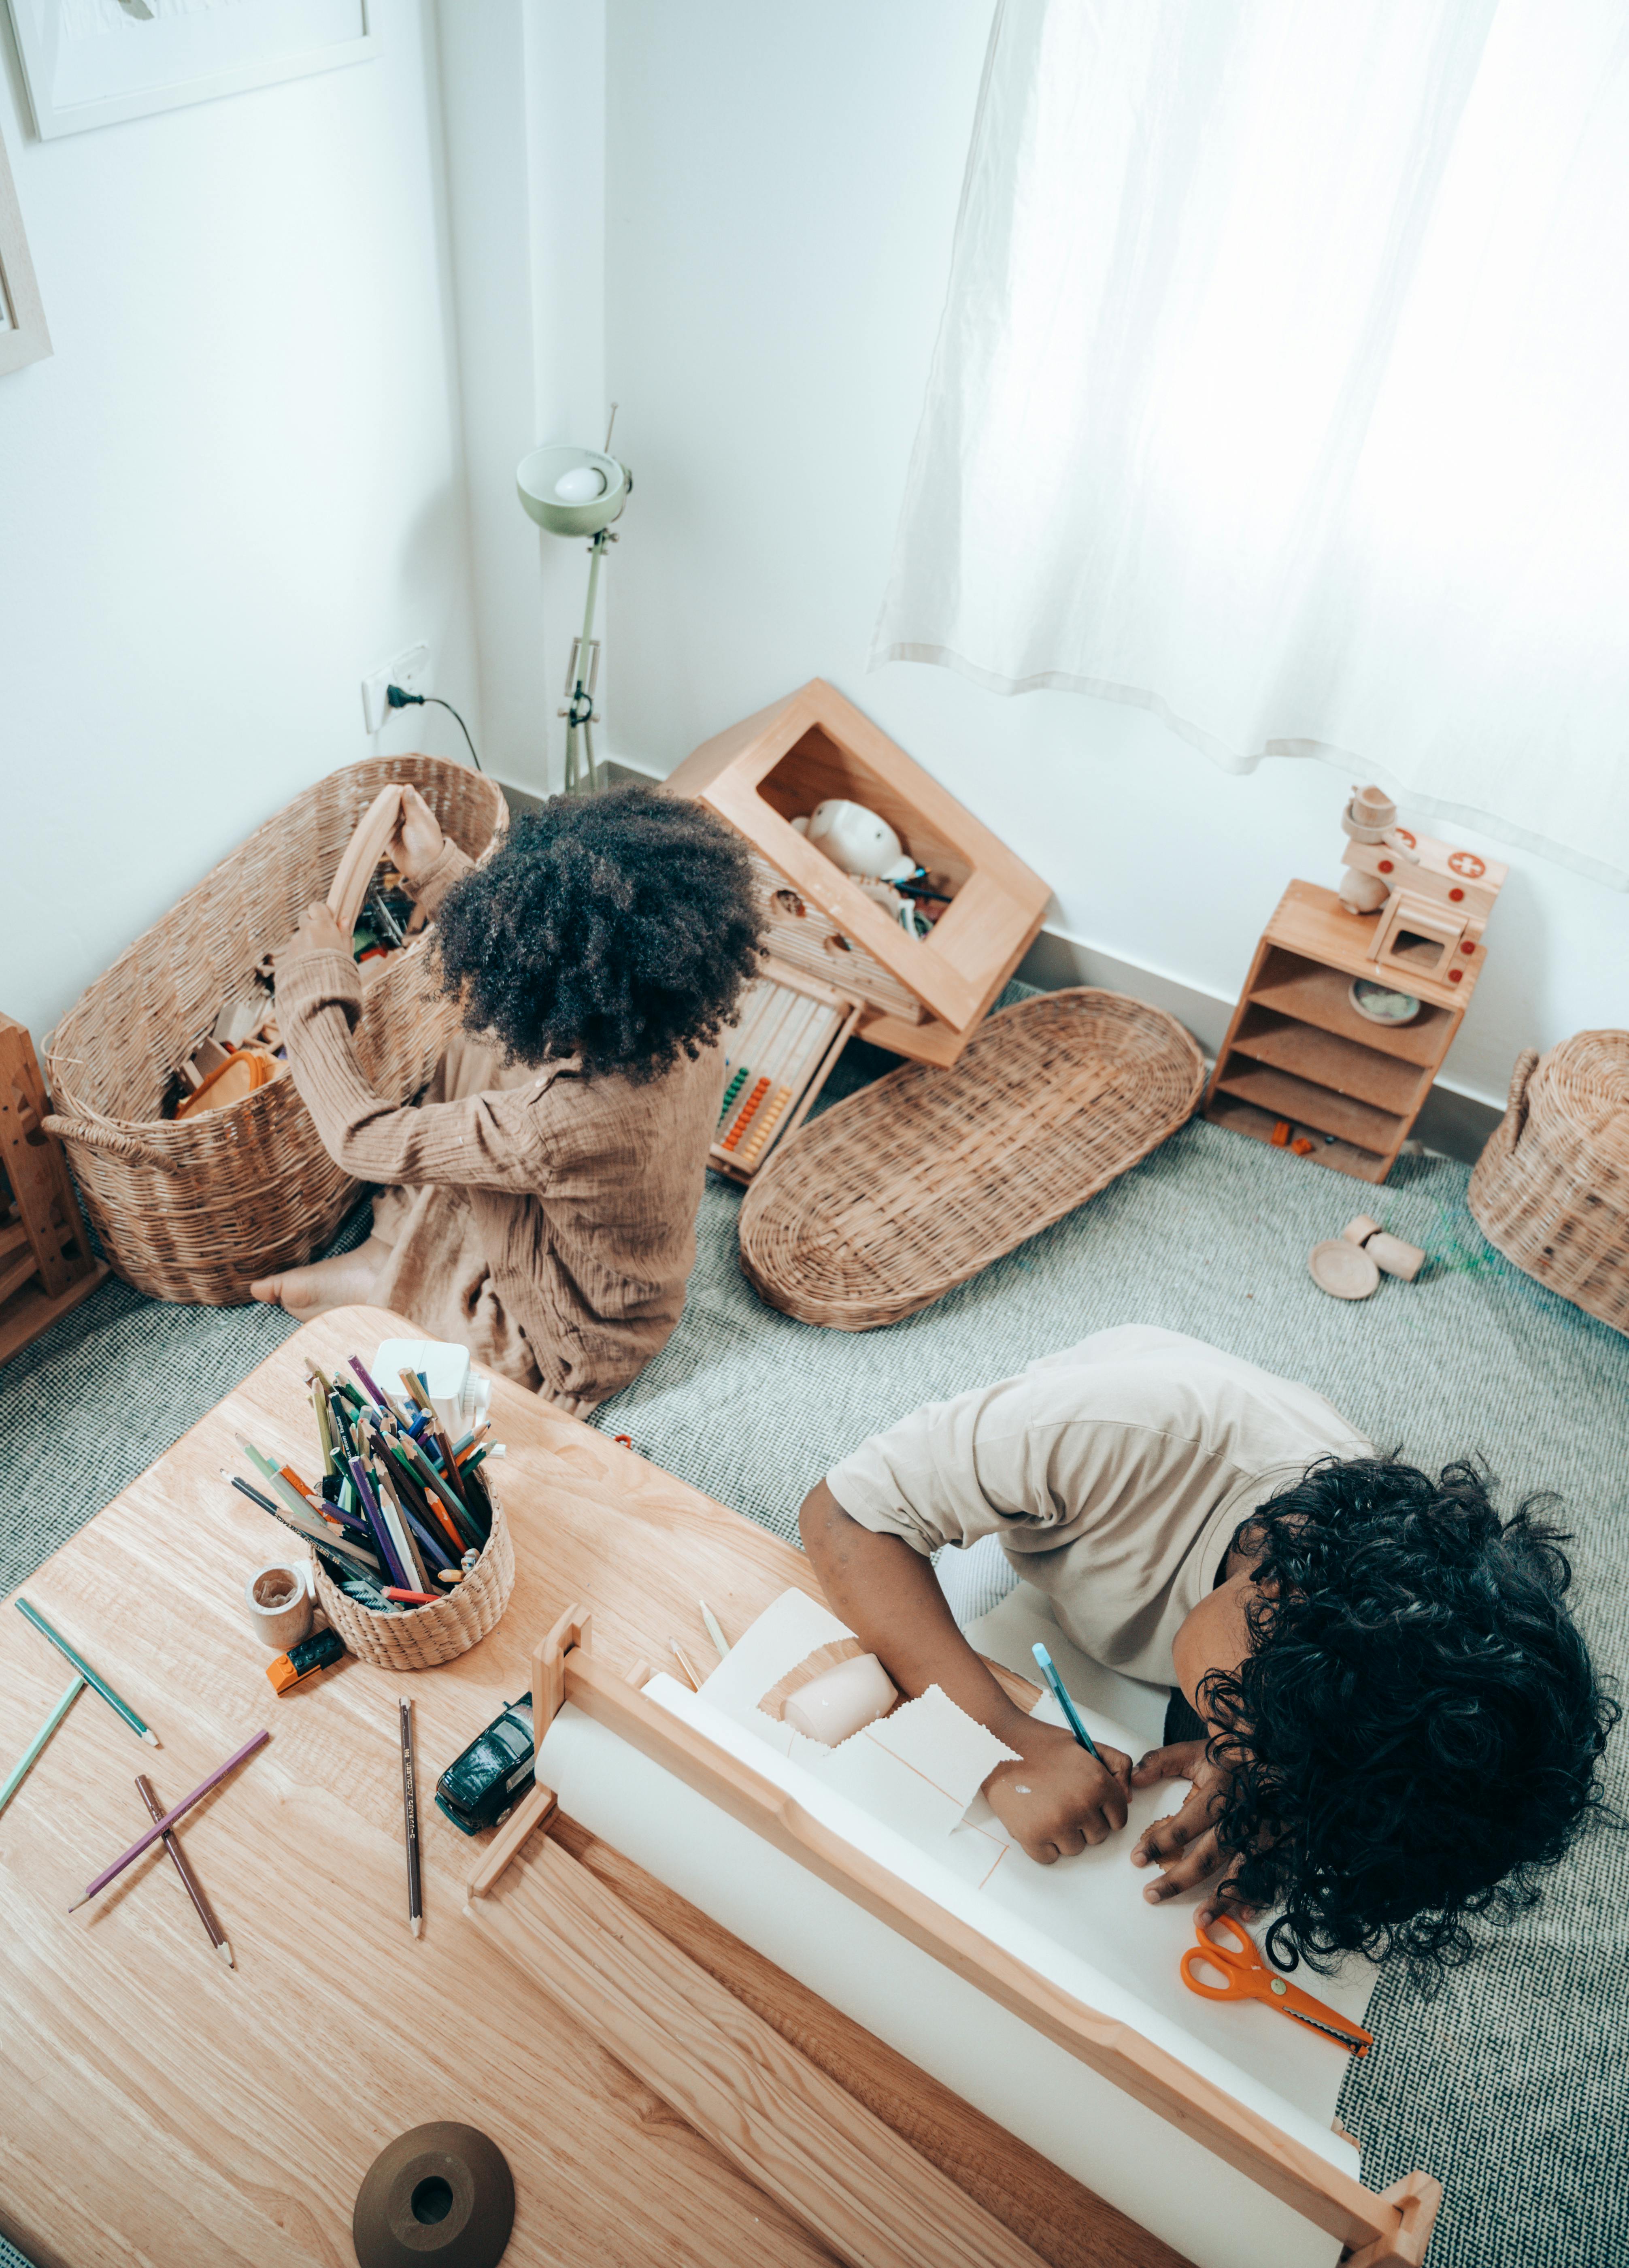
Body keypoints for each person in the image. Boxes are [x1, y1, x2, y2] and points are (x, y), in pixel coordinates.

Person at [798, 1326, 1617, 1972]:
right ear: (1273, 1601)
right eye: (1244, 1737)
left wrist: (1270, 1792)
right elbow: (842, 1514)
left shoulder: (1336, 1600)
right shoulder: (1119, 1429)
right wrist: (1001, 1735)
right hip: (1090, 1504)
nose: (1243, 1771)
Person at [252, 782, 764, 1414]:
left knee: (449, 1357)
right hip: (613, 1250)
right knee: (478, 1046)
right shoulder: (674, 1012)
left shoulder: (556, 1126)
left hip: (573, 1332)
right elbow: (542, 950)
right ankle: (389, 1248)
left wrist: (312, 991)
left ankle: (392, 1279)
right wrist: (439, 871)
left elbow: (361, 1137)